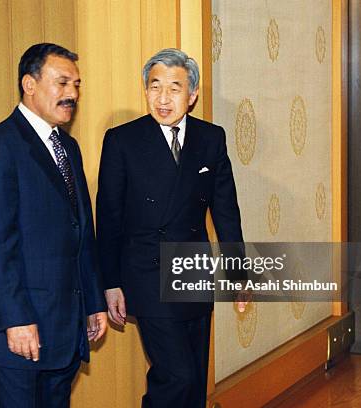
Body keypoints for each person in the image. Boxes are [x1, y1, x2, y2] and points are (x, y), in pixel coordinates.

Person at [96, 48, 249, 408]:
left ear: (192, 95)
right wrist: (109, 281)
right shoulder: (122, 140)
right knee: (175, 376)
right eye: (155, 87)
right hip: (146, 272)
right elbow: (109, 215)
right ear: (145, 90)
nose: (163, 98)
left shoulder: (211, 139)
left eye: (174, 88)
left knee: (194, 379)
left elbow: (226, 209)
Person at [0, 43, 107, 408]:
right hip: (20, 328)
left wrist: (93, 302)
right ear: (29, 84)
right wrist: (15, 320)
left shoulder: (68, 146)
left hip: (64, 325)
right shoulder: (1, 145)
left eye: (77, 84)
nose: (72, 94)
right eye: (61, 83)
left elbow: (82, 232)